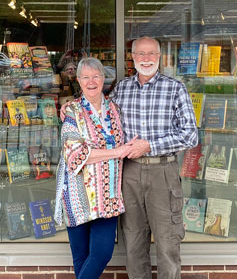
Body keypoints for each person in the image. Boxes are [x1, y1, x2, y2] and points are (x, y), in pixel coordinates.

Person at [112, 36, 198, 279]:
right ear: (133, 57)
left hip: (163, 172)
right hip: (129, 172)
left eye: (151, 54)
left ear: (159, 57)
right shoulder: (122, 88)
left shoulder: (175, 88)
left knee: (167, 241)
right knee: (133, 241)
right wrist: (72, 108)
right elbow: (100, 119)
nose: (146, 58)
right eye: (141, 54)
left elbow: (190, 136)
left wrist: (148, 146)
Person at [54, 57, 130, 279]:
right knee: (81, 255)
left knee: (101, 253)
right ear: (78, 80)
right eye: (85, 77)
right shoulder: (71, 112)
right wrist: (117, 152)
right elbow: (75, 156)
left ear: (103, 78)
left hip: (108, 195)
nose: (91, 81)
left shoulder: (115, 108)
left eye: (96, 76)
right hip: (77, 196)